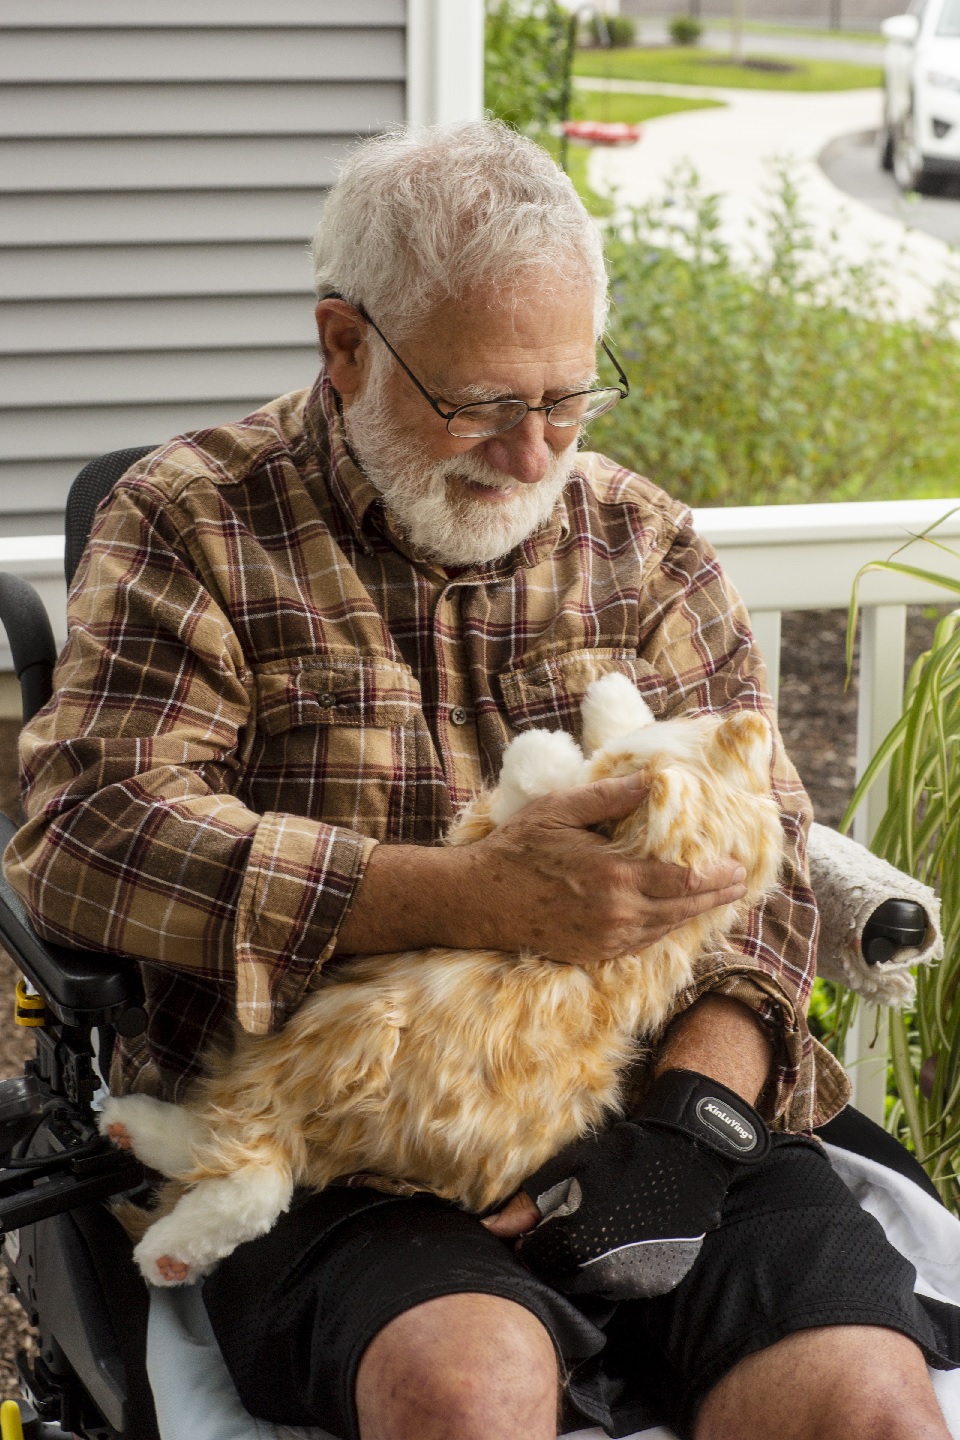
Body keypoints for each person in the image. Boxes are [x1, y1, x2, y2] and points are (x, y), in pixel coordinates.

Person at [3, 120, 956, 1440]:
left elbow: (778, 862)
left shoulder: (643, 541)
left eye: (567, 400)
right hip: (345, 1141)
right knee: (469, 1392)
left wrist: (688, 1132)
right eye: (483, 404)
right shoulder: (191, 522)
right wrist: (469, 896)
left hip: (643, 1104)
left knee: (869, 1406)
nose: (533, 454)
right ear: (345, 345)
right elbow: (86, 833)